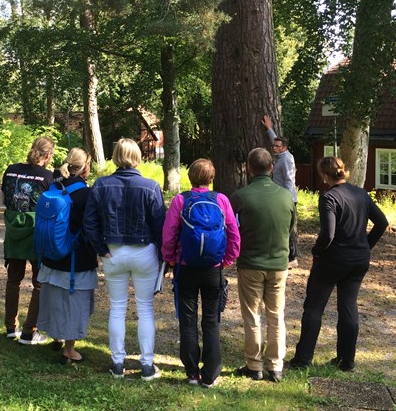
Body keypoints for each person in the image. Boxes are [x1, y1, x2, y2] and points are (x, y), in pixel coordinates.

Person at [289, 157, 388, 372]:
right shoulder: (360, 193)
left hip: (332, 260)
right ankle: (346, 361)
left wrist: (317, 251)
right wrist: (365, 246)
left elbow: (328, 234)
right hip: (358, 260)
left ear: (325, 176)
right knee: (348, 307)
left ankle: (302, 360)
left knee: (314, 307)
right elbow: (382, 222)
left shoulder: (329, 198)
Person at [84, 138, 166, 381]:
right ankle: (147, 365)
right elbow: (160, 225)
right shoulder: (150, 186)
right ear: (137, 157)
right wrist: (163, 257)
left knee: (117, 308)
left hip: (114, 251)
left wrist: (101, 249)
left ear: (116, 157)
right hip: (144, 252)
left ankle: (118, 362)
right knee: (145, 309)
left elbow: (90, 223)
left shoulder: (101, 185)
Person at [161, 158, 240, 388]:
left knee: (187, 321)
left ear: (190, 177)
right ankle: (211, 374)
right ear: (212, 178)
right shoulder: (222, 200)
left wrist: (172, 259)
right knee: (211, 321)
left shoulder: (180, 200)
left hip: (186, 268)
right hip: (213, 270)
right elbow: (234, 235)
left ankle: (192, 372)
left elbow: (169, 234)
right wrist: (226, 260)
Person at [230, 148, 295, 383]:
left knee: (252, 315)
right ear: (271, 168)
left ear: (248, 168)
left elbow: (231, 230)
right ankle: (275, 365)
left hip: (250, 264)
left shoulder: (240, 196)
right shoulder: (286, 196)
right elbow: (290, 229)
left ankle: (254, 364)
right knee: (276, 315)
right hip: (279, 265)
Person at [37, 148, 97, 364]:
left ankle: (56, 337)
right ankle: (69, 350)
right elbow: (91, 227)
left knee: (54, 298)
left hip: (51, 255)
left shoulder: (55, 186)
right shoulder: (86, 194)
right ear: (85, 167)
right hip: (75, 259)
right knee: (74, 303)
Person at [1, 136, 55, 345]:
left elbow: (5, 199)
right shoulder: (48, 177)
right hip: (36, 232)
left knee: (13, 280)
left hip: (14, 230)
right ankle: (28, 331)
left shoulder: (11, 170)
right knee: (39, 283)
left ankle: (9, 327)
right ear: (48, 155)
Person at [262, 115, 300, 266]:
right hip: (280, 198)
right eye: (274, 146)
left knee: (287, 228)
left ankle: (293, 258)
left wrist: (286, 200)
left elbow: (290, 181)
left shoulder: (287, 160)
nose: (274, 148)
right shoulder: (280, 156)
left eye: (277, 146)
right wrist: (269, 129)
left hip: (287, 199)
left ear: (284, 148)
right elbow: (275, 140)